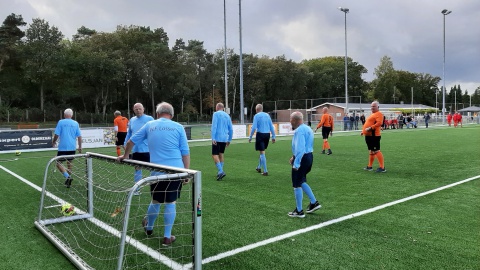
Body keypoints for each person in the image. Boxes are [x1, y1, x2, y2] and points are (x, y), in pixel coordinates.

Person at [118, 102, 190, 246]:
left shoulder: (150, 125)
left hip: (157, 170)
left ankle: (149, 228)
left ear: (157, 114)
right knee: (171, 202)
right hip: (175, 170)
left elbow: (131, 141)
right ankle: (167, 237)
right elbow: (185, 152)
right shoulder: (178, 127)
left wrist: (125, 156)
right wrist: (186, 172)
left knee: (156, 201)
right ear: (172, 114)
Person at [288, 111, 321, 218]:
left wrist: (296, 163)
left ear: (294, 120)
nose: (290, 121)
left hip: (302, 158)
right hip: (309, 157)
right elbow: (306, 146)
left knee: (296, 183)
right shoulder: (308, 128)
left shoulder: (299, 131)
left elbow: (300, 148)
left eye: (290, 119)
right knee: (301, 180)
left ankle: (299, 210)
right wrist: (294, 156)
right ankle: (314, 202)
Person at [125, 103, 154, 195]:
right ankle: (137, 190)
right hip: (136, 149)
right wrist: (125, 143)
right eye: (136, 109)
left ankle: (155, 188)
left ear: (143, 109)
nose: (138, 110)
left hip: (147, 149)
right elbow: (129, 133)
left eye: (140, 109)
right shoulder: (132, 120)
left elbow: (154, 133)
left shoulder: (149, 119)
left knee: (153, 168)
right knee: (137, 168)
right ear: (133, 110)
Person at [51, 108, 82, 188]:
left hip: (63, 147)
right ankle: (68, 180)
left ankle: (67, 177)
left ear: (64, 115)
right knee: (70, 163)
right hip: (72, 147)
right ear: (72, 115)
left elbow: (56, 134)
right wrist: (80, 146)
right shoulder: (75, 123)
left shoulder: (61, 122)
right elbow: (79, 136)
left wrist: (54, 142)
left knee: (58, 163)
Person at [249, 104, 276, 176]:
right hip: (267, 135)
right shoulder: (267, 115)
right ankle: (258, 167)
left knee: (262, 152)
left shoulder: (256, 116)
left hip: (260, 134)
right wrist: (273, 136)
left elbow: (254, 127)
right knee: (262, 150)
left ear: (256, 109)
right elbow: (271, 126)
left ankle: (265, 170)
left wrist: (250, 136)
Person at [361, 101, 386, 173]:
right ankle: (369, 166)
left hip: (374, 136)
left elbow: (379, 123)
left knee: (376, 150)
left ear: (378, 107)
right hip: (368, 136)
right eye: (371, 106)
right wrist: (363, 131)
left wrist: (370, 128)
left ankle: (382, 167)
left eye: (374, 106)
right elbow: (368, 123)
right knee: (371, 151)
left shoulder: (379, 114)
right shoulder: (372, 114)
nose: (372, 108)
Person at [211, 103, 233, 180]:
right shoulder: (227, 116)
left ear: (217, 107)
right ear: (223, 108)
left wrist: (213, 138)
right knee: (221, 154)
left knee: (214, 155)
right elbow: (231, 129)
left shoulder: (216, 114)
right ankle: (220, 171)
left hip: (217, 137)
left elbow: (214, 126)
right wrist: (229, 139)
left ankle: (220, 171)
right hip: (224, 138)